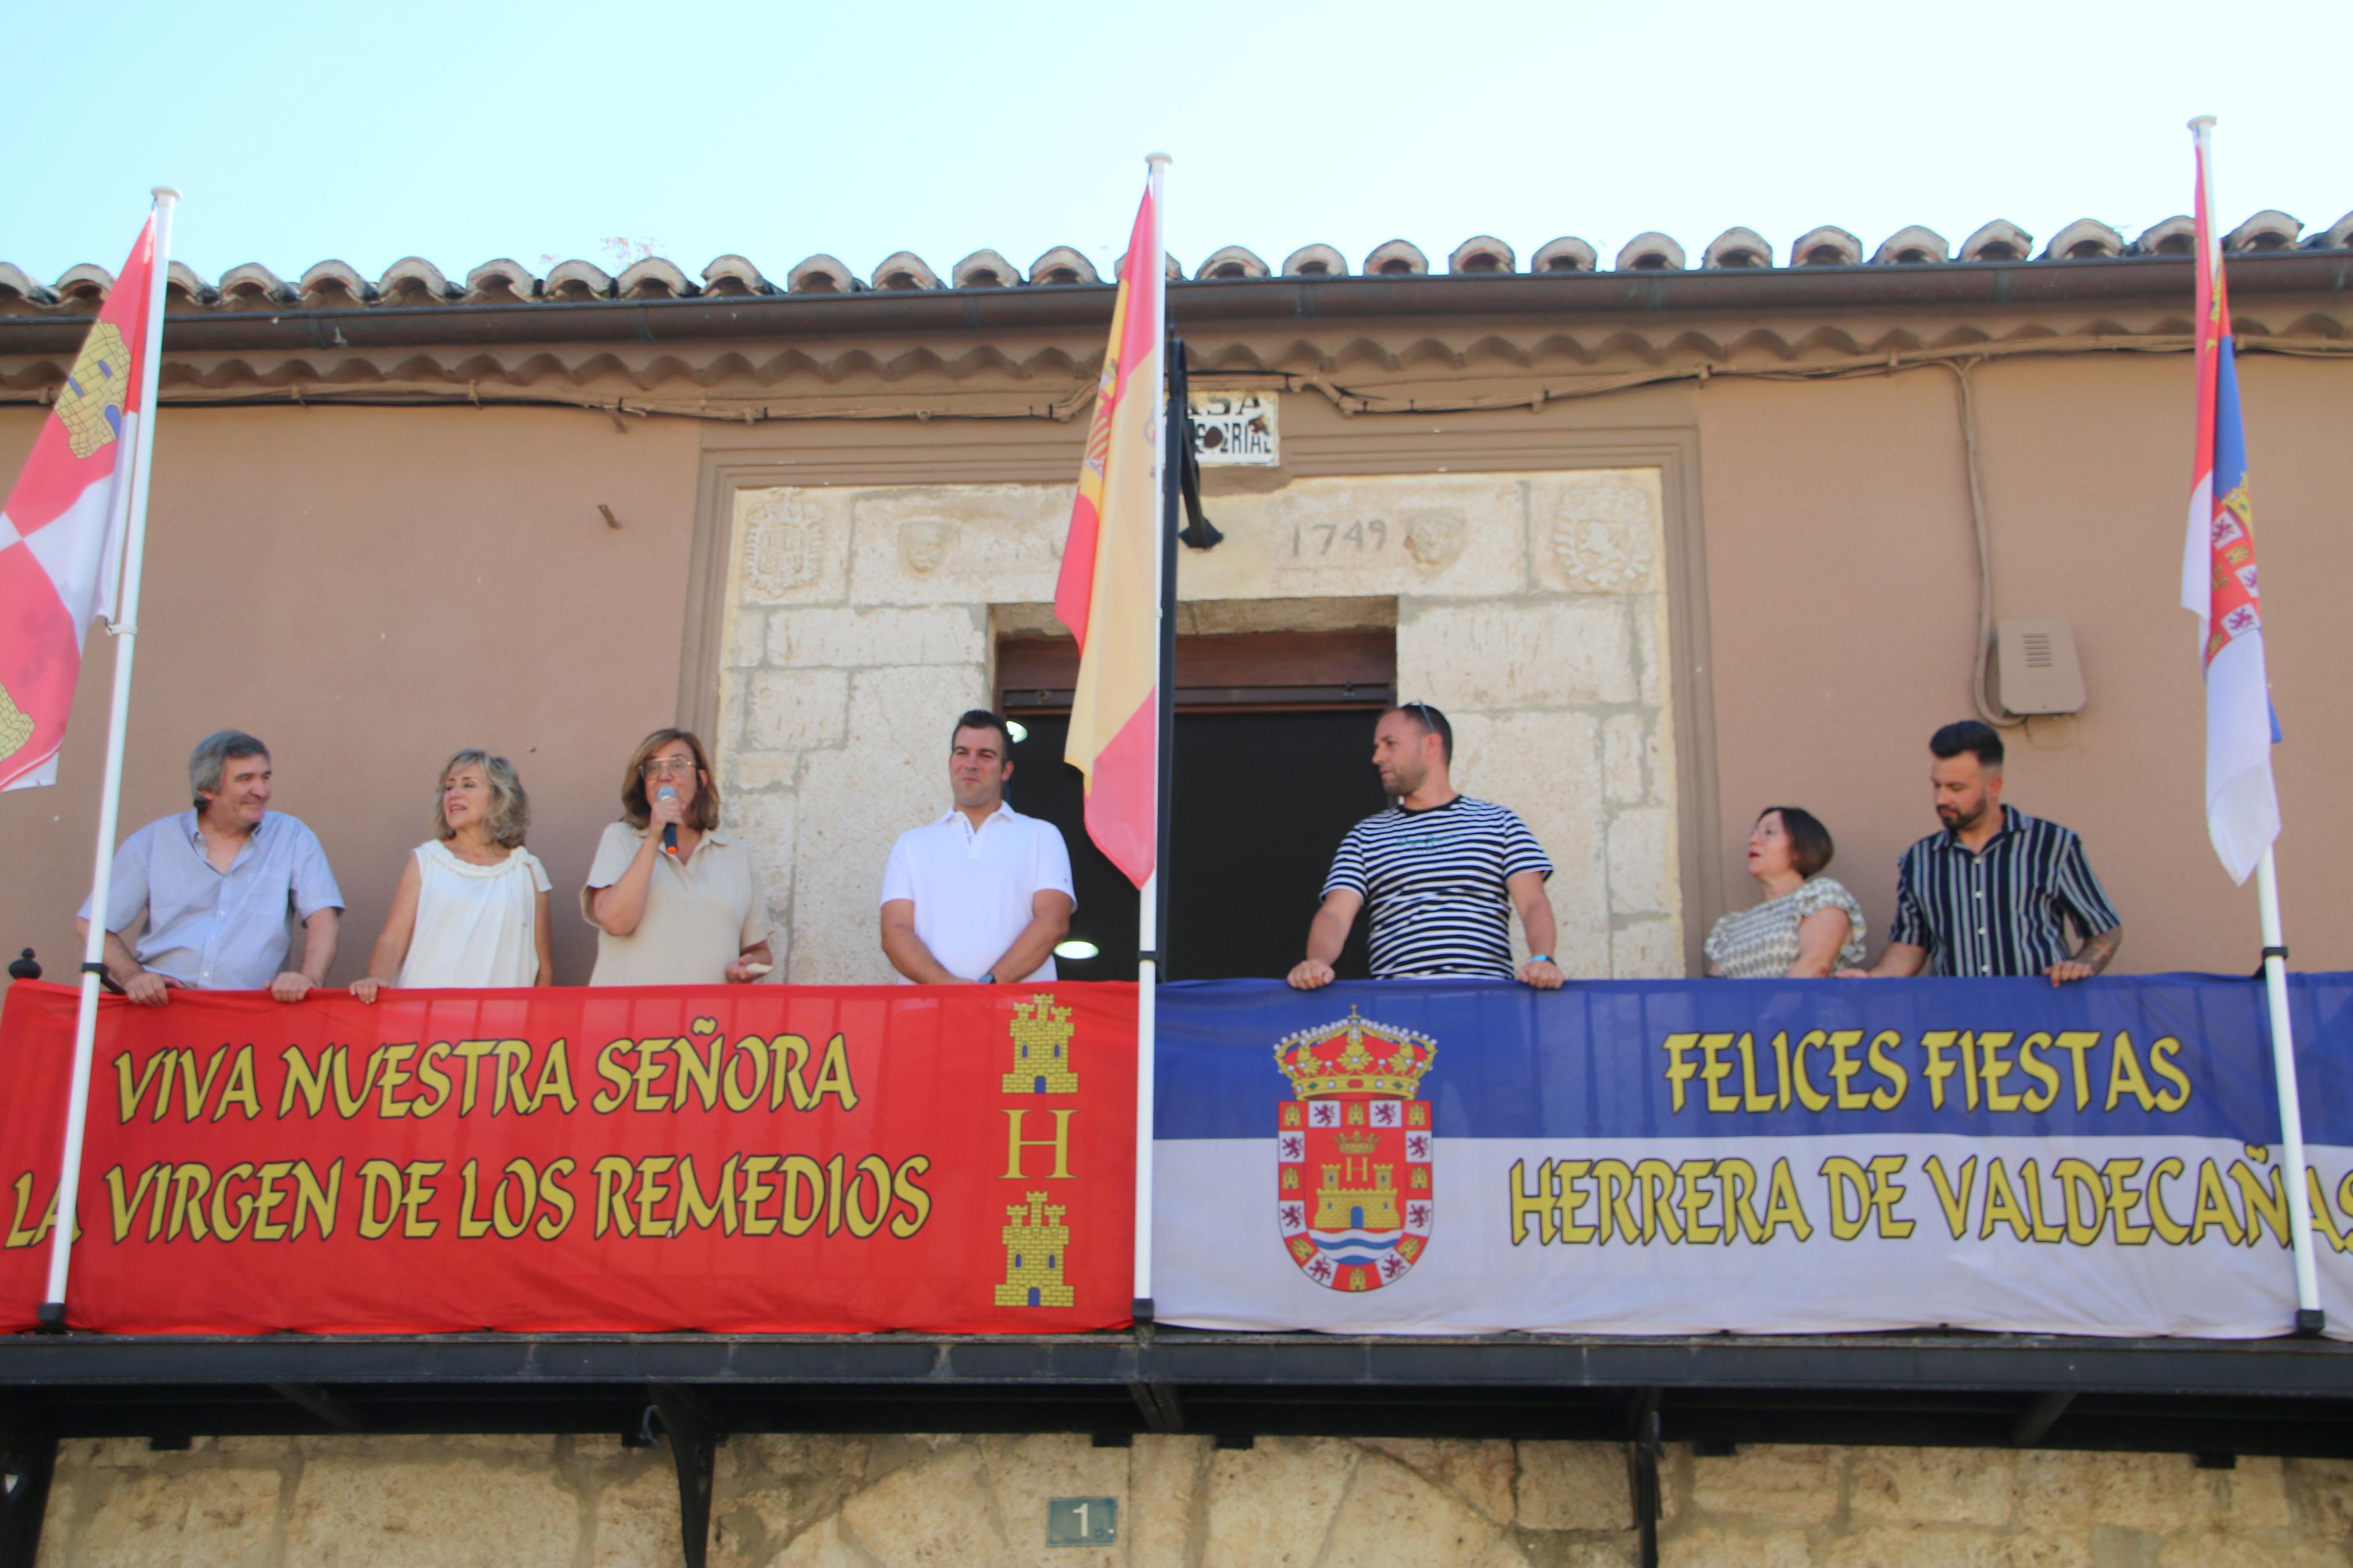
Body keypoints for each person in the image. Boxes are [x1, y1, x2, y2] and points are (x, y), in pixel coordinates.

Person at [1289, 702, 1563, 990]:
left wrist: (1543, 959)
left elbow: (1533, 903)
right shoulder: (1365, 835)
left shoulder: (1500, 822)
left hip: (1486, 1005)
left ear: (1431, 745)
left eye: (1390, 744)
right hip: (1397, 1013)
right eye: (1377, 746)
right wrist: (1317, 962)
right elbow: (1335, 914)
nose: (1377, 757)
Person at [1840, 720, 2122, 985]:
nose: (1942, 799)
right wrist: (1873, 981)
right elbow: (1911, 944)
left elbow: (2105, 930)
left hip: (2040, 1025)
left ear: (1994, 787)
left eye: (1956, 788)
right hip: (1955, 1026)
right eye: (1936, 785)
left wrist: (2081, 965)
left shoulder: (2052, 844)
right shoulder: (1920, 860)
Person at [74, 729, 343, 1006]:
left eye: (265, 777)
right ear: (207, 789)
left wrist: (309, 979)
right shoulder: (154, 841)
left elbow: (324, 917)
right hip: (163, 1011)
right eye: (245, 779)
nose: (262, 791)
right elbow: (92, 923)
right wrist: (133, 977)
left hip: (253, 1016)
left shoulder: (292, 835)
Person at [880, 709, 1074, 984]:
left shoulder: (1042, 836)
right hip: (927, 1014)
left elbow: (1053, 923)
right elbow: (894, 931)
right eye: (962, 753)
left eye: (986, 755)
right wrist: (949, 987)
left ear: (1006, 770)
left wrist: (987, 986)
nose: (971, 764)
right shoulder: (911, 845)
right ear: (950, 762)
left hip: (1019, 1016)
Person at [351, 750, 553, 1001]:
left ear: (499, 797)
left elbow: (543, 969)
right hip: (426, 1027)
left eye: (468, 785)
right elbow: (392, 940)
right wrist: (377, 979)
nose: (454, 794)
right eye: (449, 787)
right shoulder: (427, 860)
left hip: (500, 1031)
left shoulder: (527, 870)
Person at [582, 729, 773, 985]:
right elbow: (616, 922)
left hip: (705, 1021)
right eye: (652, 768)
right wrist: (653, 838)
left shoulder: (737, 855)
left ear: (701, 779)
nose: (664, 776)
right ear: (644, 783)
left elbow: (759, 951)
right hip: (628, 1020)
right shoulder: (621, 839)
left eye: (678, 765)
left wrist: (748, 967)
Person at [1703, 806, 1868, 979]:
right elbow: (1714, 992)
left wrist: (1768, 1008)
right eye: (1753, 833)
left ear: (1799, 847)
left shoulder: (1819, 896)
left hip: (1807, 1006)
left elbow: (1815, 966)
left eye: (1769, 832)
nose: (1753, 840)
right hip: (1743, 1007)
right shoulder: (1732, 925)